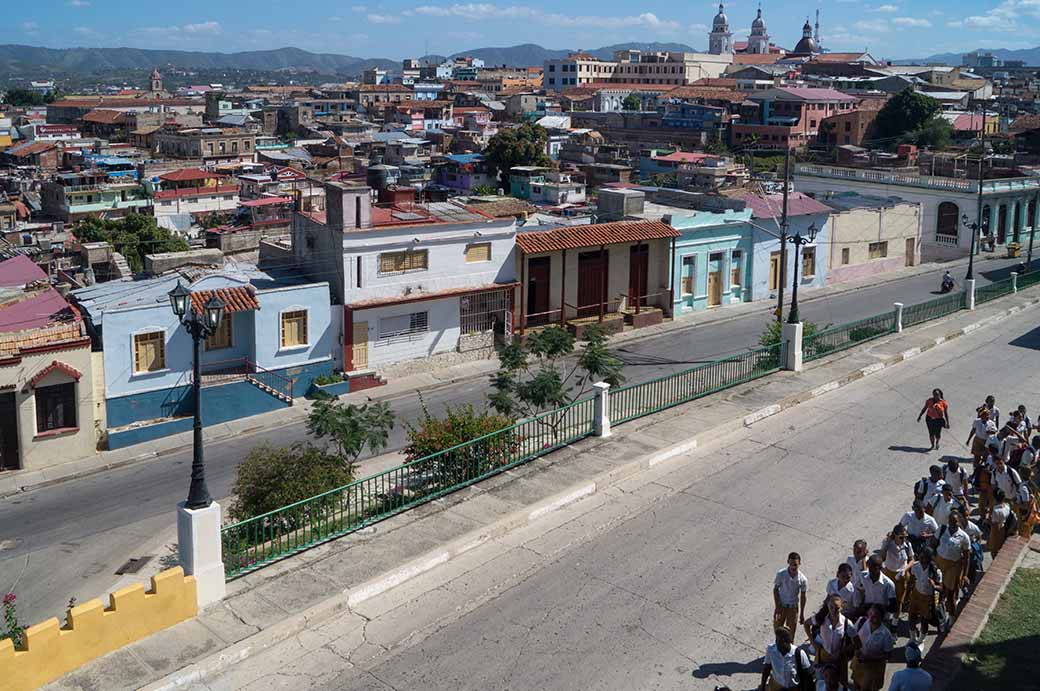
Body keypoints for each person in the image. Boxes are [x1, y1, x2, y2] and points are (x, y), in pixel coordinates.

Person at [806, 595, 853, 691]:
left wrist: (845, 651)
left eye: (837, 608)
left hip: (838, 659)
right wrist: (813, 642)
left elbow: (857, 642)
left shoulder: (846, 623)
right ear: (828, 606)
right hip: (823, 657)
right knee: (821, 683)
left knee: (838, 685)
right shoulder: (821, 618)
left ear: (842, 607)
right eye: (831, 607)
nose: (834, 610)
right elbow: (807, 624)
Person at [935, 511, 971, 614]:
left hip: (953, 566)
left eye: (955, 522)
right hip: (939, 563)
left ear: (959, 522)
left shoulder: (964, 537)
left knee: (950, 594)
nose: (952, 524)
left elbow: (966, 557)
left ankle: (951, 617)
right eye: (950, 521)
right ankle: (938, 613)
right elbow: (933, 544)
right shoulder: (941, 530)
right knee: (937, 590)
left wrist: (964, 575)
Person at [851, 604, 894, 691]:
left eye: (875, 616)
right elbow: (853, 636)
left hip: (874, 668)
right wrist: (856, 648)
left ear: (881, 618)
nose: (871, 618)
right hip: (859, 663)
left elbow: (888, 655)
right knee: (856, 685)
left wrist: (870, 658)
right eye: (870, 614)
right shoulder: (861, 622)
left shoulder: (886, 635)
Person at [759, 626, 815, 691]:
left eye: (780, 642)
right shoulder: (771, 650)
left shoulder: (799, 654)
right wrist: (762, 687)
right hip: (776, 687)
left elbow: (808, 676)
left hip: (794, 688)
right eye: (776, 640)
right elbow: (767, 668)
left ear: (787, 642)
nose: (777, 644)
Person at [907, 548, 941, 644]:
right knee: (911, 617)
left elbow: (942, 588)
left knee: (924, 621)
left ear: (929, 559)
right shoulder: (915, 566)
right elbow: (912, 579)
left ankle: (921, 640)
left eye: (924, 558)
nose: (922, 560)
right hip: (916, 594)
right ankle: (912, 638)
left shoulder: (935, 571)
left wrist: (934, 585)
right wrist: (908, 592)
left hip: (928, 598)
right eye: (920, 557)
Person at [880, 524, 914, 616]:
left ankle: (895, 620)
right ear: (895, 535)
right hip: (889, 574)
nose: (903, 539)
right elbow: (882, 558)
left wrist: (904, 569)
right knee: (886, 597)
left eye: (905, 537)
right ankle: (886, 616)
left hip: (902, 575)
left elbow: (911, 560)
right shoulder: (888, 543)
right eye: (901, 537)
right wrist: (886, 545)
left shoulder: (907, 545)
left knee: (899, 600)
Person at [774, 552, 808, 639]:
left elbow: (803, 596)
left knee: (791, 634)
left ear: (799, 564)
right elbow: (775, 589)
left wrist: (802, 614)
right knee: (778, 631)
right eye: (791, 564)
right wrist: (777, 607)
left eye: (795, 564)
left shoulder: (802, 579)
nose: (793, 567)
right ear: (788, 562)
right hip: (781, 606)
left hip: (793, 608)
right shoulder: (781, 574)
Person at [856, 555, 897, 623]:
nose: (871, 571)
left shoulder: (888, 584)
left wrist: (877, 608)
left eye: (874, 569)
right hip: (866, 613)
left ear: (880, 568)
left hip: (882, 617)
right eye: (870, 567)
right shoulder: (863, 576)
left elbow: (893, 607)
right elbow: (858, 589)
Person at [989, 489, 1013, 557]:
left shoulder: (996, 511)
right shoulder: (1007, 506)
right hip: (1006, 530)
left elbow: (995, 529)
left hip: (999, 532)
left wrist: (992, 542)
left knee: (994, 553)